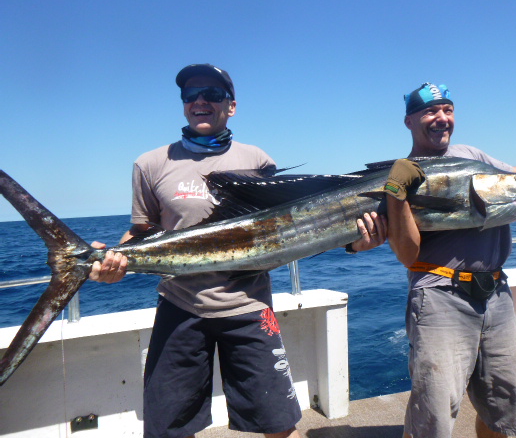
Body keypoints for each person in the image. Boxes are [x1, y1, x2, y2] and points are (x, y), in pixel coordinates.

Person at [88, 63, 386, 438]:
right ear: (182, 104)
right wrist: (113, 260)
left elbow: (292, 229)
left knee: (280, 425)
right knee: (167, 430)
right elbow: (140, 233)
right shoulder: (150, 164)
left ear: (231, 106)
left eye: (212, 94)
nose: (200, 101)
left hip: (250, 308)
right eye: (190, 94)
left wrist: (355, 243)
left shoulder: (258, 161)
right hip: (180, 309)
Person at [384, 82, 516, 438]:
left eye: (448, 110)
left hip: (496, 295)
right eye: (430, 111)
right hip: (440, 295)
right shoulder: (402, 174)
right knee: (434, 416)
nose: (442, 118)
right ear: (409, 121)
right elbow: (408, 256)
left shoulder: (471, 155)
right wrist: (396, 195)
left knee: (505, 406)